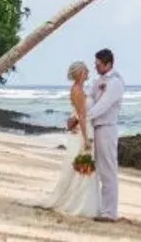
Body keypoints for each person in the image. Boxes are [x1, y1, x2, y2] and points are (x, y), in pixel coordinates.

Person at [43, 62, 101, 217]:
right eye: (86, 69)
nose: (89, 71)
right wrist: (86, 137)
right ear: (80, 73)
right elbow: (81, 115)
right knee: (83, 165)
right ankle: (80, 204)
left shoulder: (81, 89)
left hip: (85, 128)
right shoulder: (76, 90)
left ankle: (87, 203)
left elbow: (78, 113)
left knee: (85, 166)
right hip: (84, 132)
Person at [86, 48, 125, 221]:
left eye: (98, 64)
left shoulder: (115, 82)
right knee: (100, 169)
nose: (95, 67)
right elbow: (91, 99)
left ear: (108, 64)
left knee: (108, 169)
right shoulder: (98, 80)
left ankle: (110, 212)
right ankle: (102, 207)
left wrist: (83, 117)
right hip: (96, 127)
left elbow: (103, 105)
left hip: (107, 127)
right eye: (95, 64)